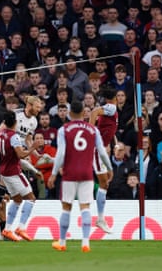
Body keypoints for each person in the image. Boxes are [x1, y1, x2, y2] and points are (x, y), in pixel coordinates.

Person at [48, 101, 113, 252]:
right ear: (84, 112)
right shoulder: (93, 129)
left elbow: (61, 153)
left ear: (70, 113)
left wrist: (53, 173)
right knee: (85, 207)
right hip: (86, 173)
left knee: (66, 207)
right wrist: (109, 168)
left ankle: (62, 243)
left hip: (70, 173)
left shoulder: (64, 130)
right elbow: (102, 152)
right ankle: (85, 243)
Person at [0, 110, 40, 242]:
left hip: (4, 171)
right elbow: (21, 154)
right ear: (15, 122)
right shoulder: (13, 136)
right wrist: (33, 148)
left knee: (17, 200)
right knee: (31, 198)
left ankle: (7, 229)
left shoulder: (0, 134)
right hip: (14, 171)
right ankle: (21, 228)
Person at [89, 87, 118, 233]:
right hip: (96, 150)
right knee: (103, 182)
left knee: (105, 183)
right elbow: (94, 112)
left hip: (102, 150)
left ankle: (100, 219)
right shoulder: (112, 107)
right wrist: (90, 129)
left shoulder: (110, 111)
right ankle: (100, 219)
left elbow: (109, 130)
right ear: (115, 98)